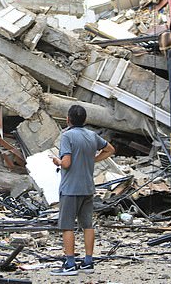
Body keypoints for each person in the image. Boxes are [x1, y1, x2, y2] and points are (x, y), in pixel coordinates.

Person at [49, 104, 115, 276]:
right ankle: (88, 262)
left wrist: (57, 161)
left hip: (70, 188)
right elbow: (110, 149)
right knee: (87, 225)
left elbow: (67, 163)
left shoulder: (67, 136)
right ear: (84, 120)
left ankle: (70, 263)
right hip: (87, 187)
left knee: (67, 227)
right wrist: (94, 160)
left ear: (68, 119)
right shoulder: (92, 135)